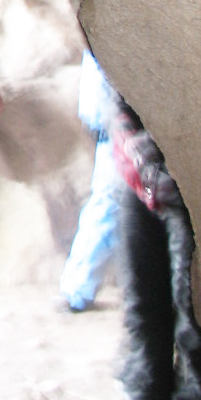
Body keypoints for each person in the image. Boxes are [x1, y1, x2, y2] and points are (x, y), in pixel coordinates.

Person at [109, 99, 201, 400]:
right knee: (142, 295)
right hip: (137, 171)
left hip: (191, 181)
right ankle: (149, 398)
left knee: (193, 309)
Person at [58, 50, 122, 311]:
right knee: (109, 203)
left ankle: (78, 287)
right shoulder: (106, 39)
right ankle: (77, 290)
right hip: (115, 127)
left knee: (109, 203)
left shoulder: (96, 37)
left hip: (109, 123)